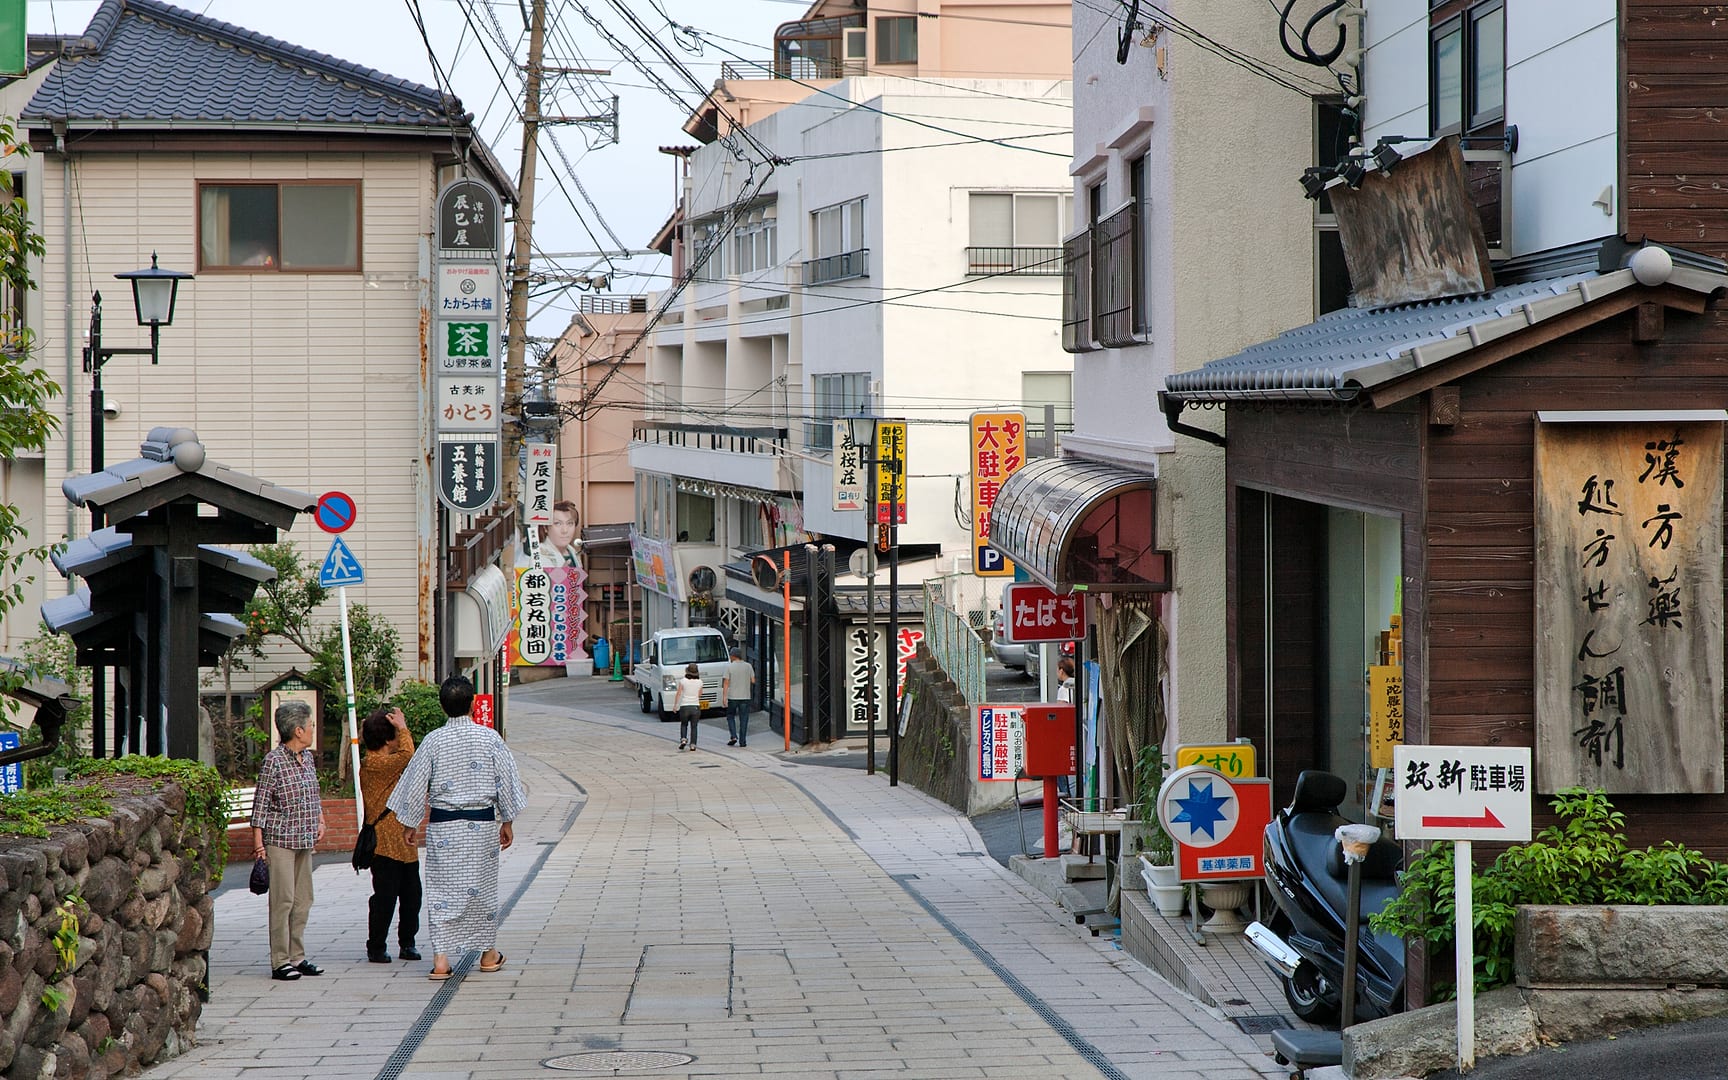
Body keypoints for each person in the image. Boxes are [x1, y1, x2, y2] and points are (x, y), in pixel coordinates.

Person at [388, 676, 527, 981]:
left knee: (441, 891)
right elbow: (506, 781)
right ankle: (488, 954)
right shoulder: (489, 738)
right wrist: (508, 820)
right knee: (483, 890)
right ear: (473, 703)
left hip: (444, 829)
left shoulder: (433, 741)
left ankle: (441, 959)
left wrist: (411, 823)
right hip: (481, 826)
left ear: (442, 706)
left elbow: (414, 785)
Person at [251, 700, 325, 982]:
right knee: (283, 901)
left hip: (304, 837)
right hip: (280, 839)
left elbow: (314, 794)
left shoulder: (307, 758)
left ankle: (298, 956)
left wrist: (320, 819)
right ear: (297, 730)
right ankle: (280, 960)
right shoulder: (273, 760)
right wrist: (259, 843)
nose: (312, 730)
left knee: (303, 899)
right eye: (311, 726)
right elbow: (261, 804)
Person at [359, 704, 422, 964]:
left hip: (404, 842)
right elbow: (409, 754)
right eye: (395, 734)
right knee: (384, 898)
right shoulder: (375, 763)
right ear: (387, 739)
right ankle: (376, 946)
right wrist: (403, 726)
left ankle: (407, 943)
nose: (399, 738)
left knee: (412, 896)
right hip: (384, 843)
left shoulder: (385, 763)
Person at [721, 647, 754, 747]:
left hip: (733, 697)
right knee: (744, 718)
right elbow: (753, 680)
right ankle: (743, 741)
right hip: (745, 696)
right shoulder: (748, 666)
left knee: (730, 716)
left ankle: (734, 736)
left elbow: (726, 683)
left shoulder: (729, 667)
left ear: (733, 656)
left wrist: (724, 697)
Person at [537, 501, 582, 569]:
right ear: (545, 528)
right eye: (557, 523)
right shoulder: (539, 554)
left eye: (570, 523)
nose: (565, 530)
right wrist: (560, 575)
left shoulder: (572, 551)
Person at [675, 662, 703, 752]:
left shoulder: (683, 681)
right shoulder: (700, 682)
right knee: (694, 726)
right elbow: (700, 694)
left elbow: (679, 693)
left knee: (684, 724)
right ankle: (693, 745)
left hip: (684, 706)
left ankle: (683, 739)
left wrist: (675, 705)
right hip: (695, 706)